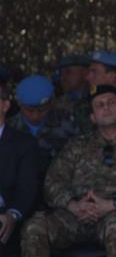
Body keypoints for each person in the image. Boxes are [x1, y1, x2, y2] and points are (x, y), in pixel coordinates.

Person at [19, 85, 116, 257]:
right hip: (73, 215)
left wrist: (111, 205)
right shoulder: (76, 145)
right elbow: (52, 182)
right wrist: (74, 205)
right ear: (92, 117)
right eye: (99, 105)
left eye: (111, 102)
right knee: (34, 227)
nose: (106, 107)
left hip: (115, 214)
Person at [7, 75, 80, 182]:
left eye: (42, 110)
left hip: (58, 186)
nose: (35, 116)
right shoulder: (9, 128)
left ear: (51, 102)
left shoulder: (67, 125)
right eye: (29, 110)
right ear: (19, 104)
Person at [0, 82, 40, 257]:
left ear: (5, 105)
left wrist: (12, 214)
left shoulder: (24, 144)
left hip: (5, 215)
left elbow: (27, 188)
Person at [51, 53, 90, 123]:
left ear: (85, 73)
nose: (63, 78)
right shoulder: (57, 104)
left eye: (68, 72)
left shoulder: (98, 98)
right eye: (61, 73)